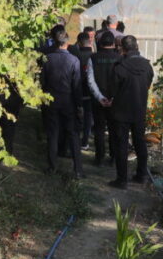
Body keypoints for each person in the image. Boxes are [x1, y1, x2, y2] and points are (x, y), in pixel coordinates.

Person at [106, 35, 153, 189]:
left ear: (122, 48)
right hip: (139, 110)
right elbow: (148, 83)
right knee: (140, 143)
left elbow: (112, 90)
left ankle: (122, 180)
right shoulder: (147, 66)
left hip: (121, 112)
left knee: (121, 145)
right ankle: (142, 175)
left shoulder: (120, 67)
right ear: (136, 46)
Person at [40, 28, 84, 178]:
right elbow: (77, 85)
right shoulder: (74, 60)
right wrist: (79, 105)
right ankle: (78, 169)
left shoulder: (47, 58)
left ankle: (52, 166)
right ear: (67, 43)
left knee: (52, 133)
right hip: (68, 101)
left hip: (51, 99)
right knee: (73, 134)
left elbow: (42, 81)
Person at [90, 30, 121, 166]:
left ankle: (100, 158)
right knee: (114, 130)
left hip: (98, 102)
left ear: (100, 43)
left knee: (99, 130)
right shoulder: (119, 58)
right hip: (115, 101)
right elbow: (121, 81)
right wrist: (113, 98)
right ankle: (114, 157)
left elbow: (90, 81)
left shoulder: (93, 58)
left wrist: (100, 97)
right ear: (114, 44)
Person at [68, 30, 100, 150]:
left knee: (75, 116)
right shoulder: (94, 57)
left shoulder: (74, 57)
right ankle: (85, 141)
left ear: (79, 43)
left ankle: (74, 141)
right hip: (91, 91)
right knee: (88, 117)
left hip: (76, 90)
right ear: (89, 43)